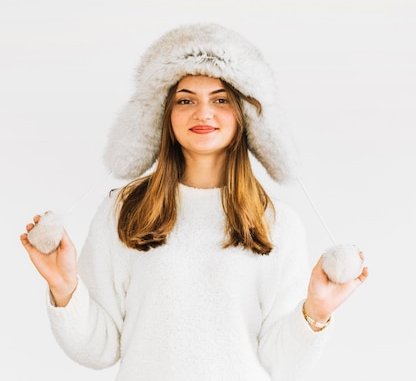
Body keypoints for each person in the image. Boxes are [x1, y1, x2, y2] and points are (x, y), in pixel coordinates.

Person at [20, 23, 368, 381]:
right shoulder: (124, 210)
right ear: (164, 115)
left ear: (243, 115)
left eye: (220, 100)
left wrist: (317, 310)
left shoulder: (277, 223)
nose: (203, 113)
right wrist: (64, 287)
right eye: (186, 100)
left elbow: (279, 363)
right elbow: (101, 349)